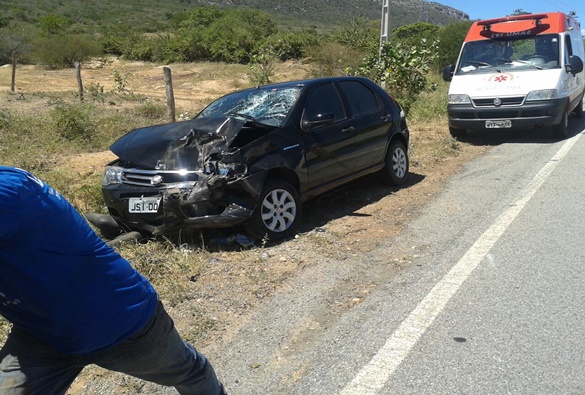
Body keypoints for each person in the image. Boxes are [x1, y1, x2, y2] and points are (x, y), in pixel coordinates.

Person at [0, 166, 227, 395]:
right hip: (42, 331)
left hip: (118, 320)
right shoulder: (13, 181)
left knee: (190, 372)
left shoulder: (8, 192)